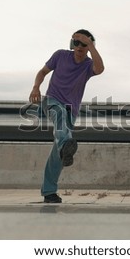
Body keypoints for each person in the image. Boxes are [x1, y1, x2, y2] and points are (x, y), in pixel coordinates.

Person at [29, 29, 105, 203]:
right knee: (60, 115)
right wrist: (35, 87)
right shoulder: (60, 55)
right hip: (52, 101)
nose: (79, 46)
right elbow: (42, 72)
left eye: (83, 44)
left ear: (89, 47)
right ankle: (65, 144)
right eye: (76, 43)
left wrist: (91, 44)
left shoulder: (88, 65)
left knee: (58, 154)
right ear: (72, 44)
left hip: (72, 110)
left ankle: (49, 192)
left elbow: (100, 69)